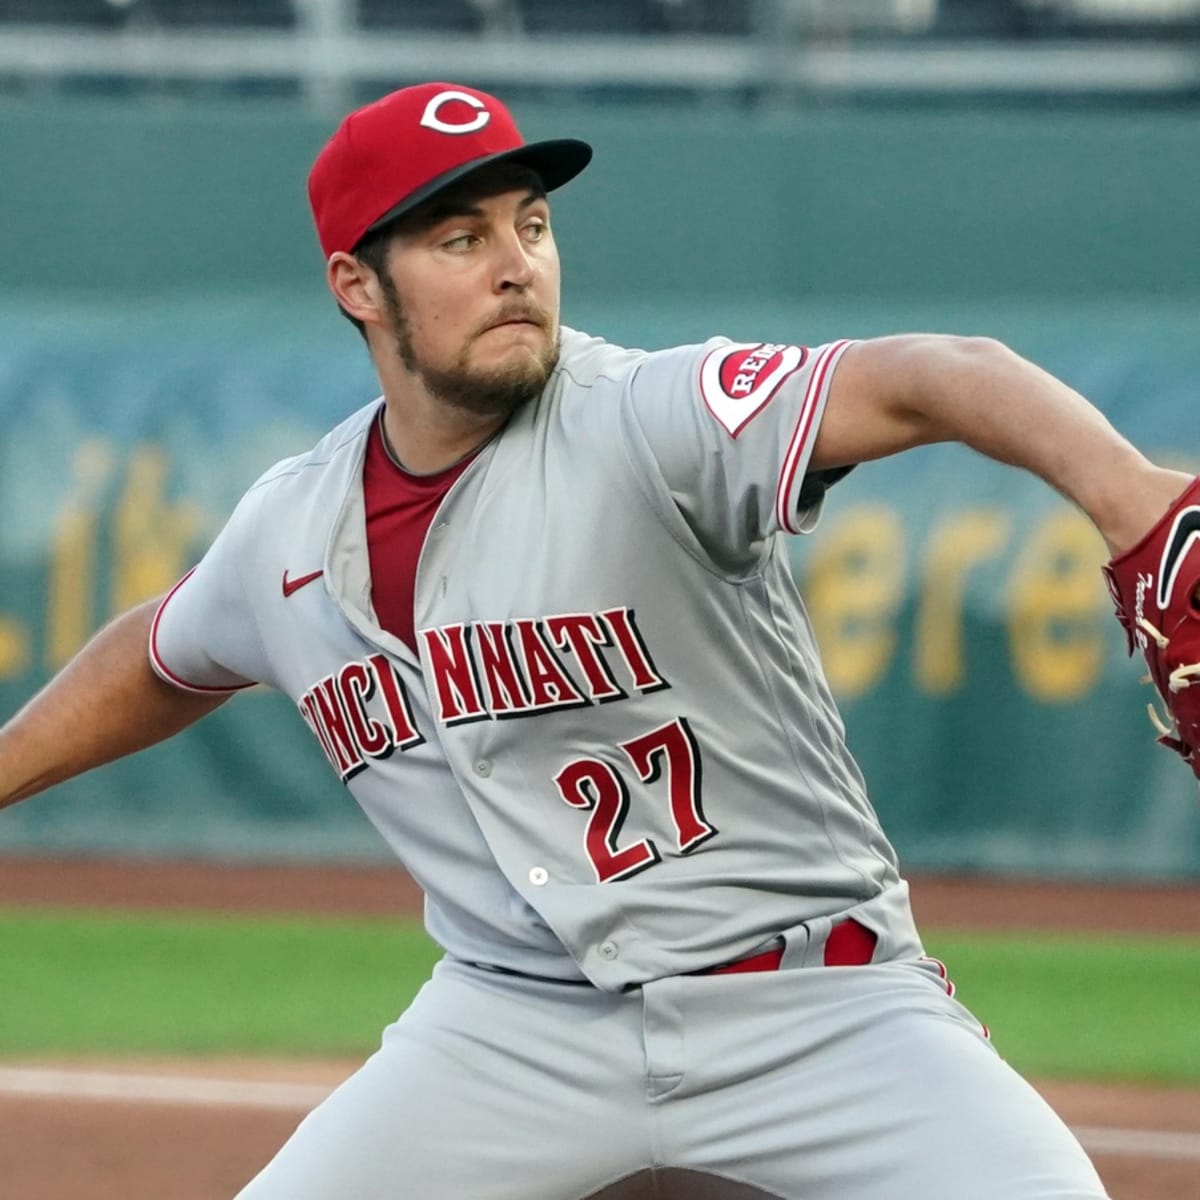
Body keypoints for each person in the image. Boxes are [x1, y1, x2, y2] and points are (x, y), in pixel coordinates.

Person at [1, 81, 1194, 1200]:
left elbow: (945, 376)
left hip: (820, 1008)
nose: (516, 264)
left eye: (530, 225)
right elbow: (164, 651)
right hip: (510, 1031)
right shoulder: (291, 529)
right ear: (357, 284)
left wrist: (1136, 502)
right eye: (461, 239)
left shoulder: (651, 421)